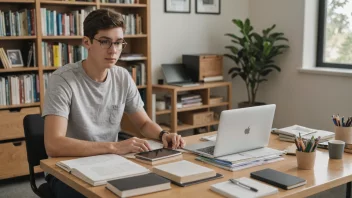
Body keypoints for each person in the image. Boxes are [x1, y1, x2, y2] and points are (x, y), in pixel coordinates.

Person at [42, 9, 186, 198]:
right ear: (87, 42)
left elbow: (143, 123)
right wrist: (115, 147)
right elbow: (54, 145)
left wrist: (163, 134)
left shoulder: (122, 76)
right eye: (105, 41)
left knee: (160, 187)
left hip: (110, 162)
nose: (113, 50)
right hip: (67, 169)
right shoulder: (62, 80)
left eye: (118, 43)